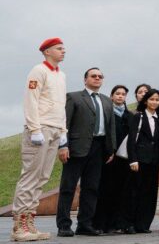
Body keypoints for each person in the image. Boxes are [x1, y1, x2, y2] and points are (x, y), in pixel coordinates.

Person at [11, 38, 68, 242]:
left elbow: (61, 105)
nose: (63, 51)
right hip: (40, 128)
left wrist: (63, 130)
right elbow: (31, 100)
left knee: (43, 177)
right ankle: (19, 225)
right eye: (59, 49)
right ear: (47, 51)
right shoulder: (38, 70)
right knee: (31, 176)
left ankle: (30, 221)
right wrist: (34, 128)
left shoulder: (61, 75)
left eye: (63, 48)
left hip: (54, 128)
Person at [56, 67, 116, 237]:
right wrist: (63, 146)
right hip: (76, 148)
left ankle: (85, 224)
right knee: (68, 187)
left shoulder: (106, 100)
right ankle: (64, 225)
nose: (97, 78)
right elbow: (64, 123)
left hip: (99, 149)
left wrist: (110, 149)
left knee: (91, 188)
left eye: (100, 76)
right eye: (93, 76)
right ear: (85, 80)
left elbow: (110, 127)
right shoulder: (74, 97)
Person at [94, 85, 133, 234]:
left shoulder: (130, 116)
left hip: (124, 158)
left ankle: (116, 223)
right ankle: (101, 223)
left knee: (120, 191)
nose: (120, 96)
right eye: (117, 93)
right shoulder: (105, 113)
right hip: (109, 157)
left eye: (123, 94)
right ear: (111, 96)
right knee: (105, 190)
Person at [127, 89, 159, 233]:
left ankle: (143, 224)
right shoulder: (139, 117)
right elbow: (131, 139)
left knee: (149, 194)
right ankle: (130, 223)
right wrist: (133, 159)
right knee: (134, 192)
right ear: (145, 101)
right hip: (139, 160)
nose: (154, 102)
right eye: (151, 99)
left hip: (153, 162)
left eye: (157, 99)